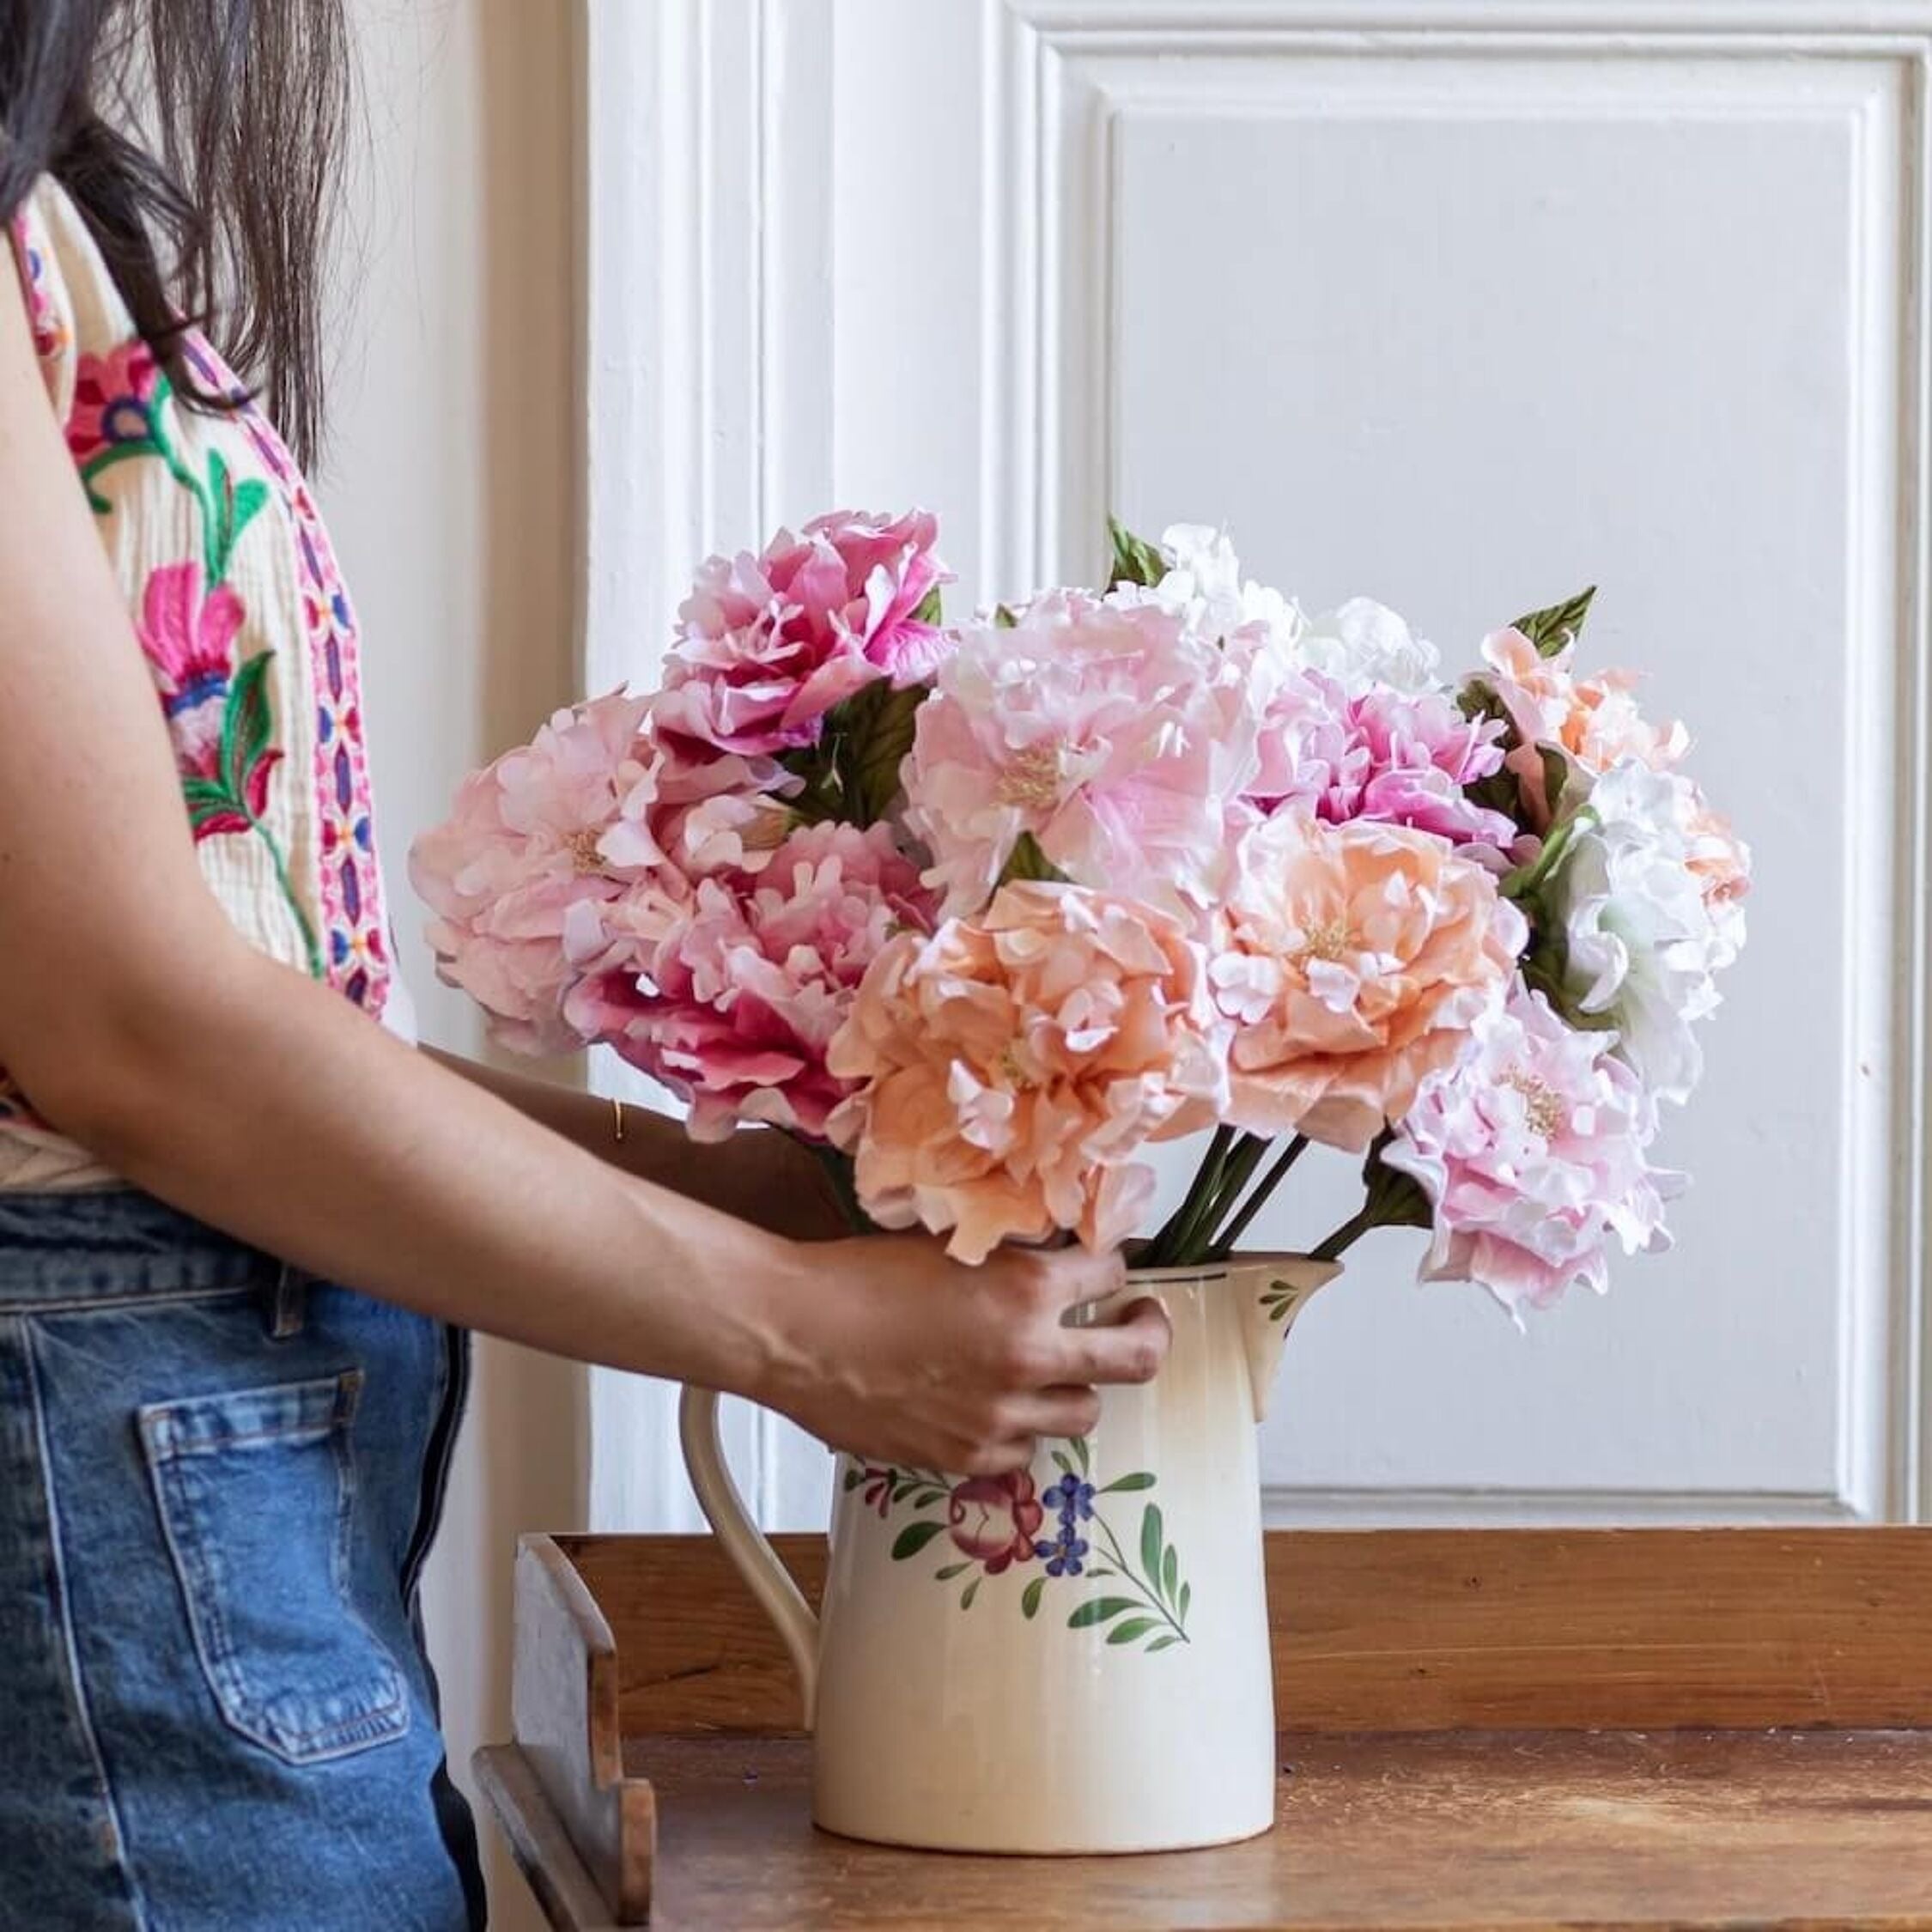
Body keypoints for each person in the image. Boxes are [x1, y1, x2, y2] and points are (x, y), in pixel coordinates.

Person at [0, 6, 1170, 1927]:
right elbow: (126, 1037)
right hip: (102, 1455)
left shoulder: (47, 203)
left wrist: (723, 1191)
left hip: (186, 1441)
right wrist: (794, 1331)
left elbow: (204, 993)